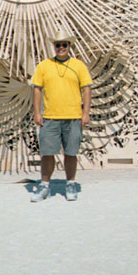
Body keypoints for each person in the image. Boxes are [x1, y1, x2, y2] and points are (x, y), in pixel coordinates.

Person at [30, 30, 92, 202]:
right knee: (47, 153)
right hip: (50, 117)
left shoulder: (79, 66)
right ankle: (44, 186)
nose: (61, 48)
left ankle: (70, 183)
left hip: (73, 117)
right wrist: (37, 112)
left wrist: (85, 113)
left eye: (64, 44)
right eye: (58, 45)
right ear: (54, 46)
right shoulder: (44, 65)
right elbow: (36, 89)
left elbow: (86, 89)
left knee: (71, 152)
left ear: (69, 46)